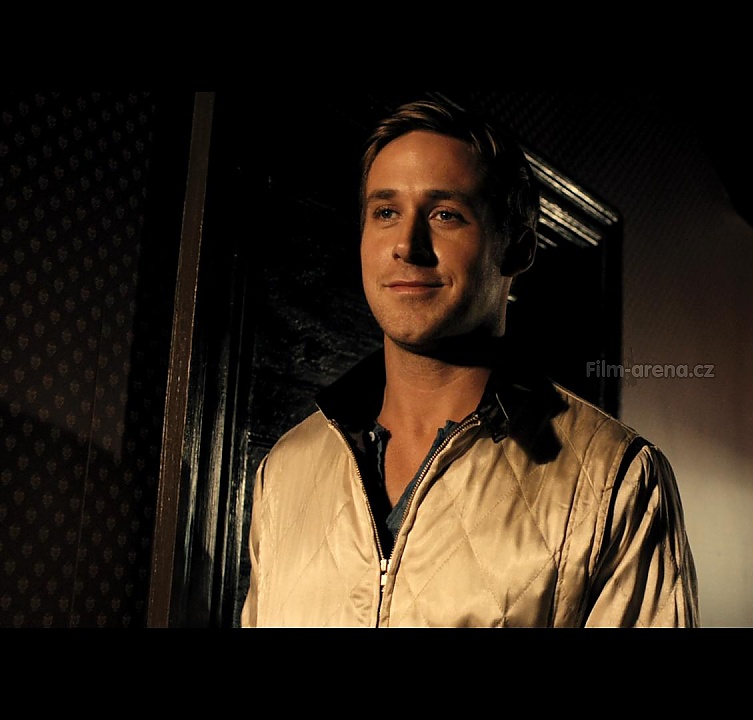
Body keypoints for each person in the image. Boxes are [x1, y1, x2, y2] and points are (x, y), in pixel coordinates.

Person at [239, 99, 699, 627]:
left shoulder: (617, 479)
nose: (407, 245)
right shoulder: (286, 468)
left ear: (518, 250)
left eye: (445, 215)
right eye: (385, 212)